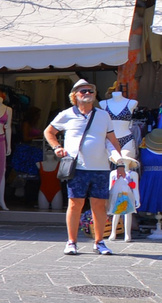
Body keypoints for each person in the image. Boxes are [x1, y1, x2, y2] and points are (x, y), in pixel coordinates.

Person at [43, 78, 127, 255]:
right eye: (83, 91)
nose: (87, 94)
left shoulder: (103, 115)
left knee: (99, 205)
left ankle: (99, 242)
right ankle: (72, 242)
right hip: (77, 167)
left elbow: (112, 140)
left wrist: (120, 165)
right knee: (75, 204)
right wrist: (57, 147)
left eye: (90, 91)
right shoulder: (67, 114)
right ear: (75, 96)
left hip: (101, 168)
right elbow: (48, 131)